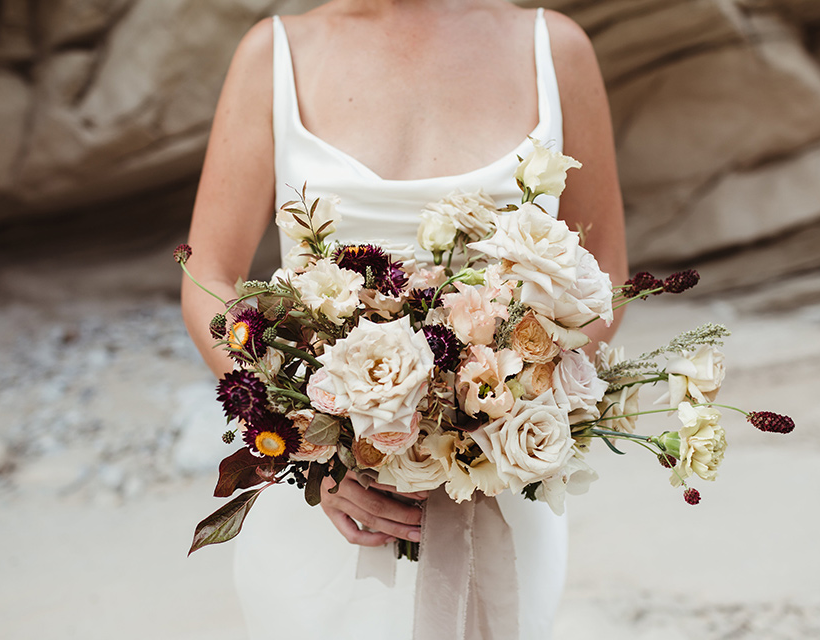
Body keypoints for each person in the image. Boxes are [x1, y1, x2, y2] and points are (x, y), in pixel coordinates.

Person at [181, 1, 627, 637]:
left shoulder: (554, 49)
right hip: (328, 507)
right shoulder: (273, 55)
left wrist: (513, 401)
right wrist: (310, 447)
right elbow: (209, 279)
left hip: (500, 484)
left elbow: (606, 268)